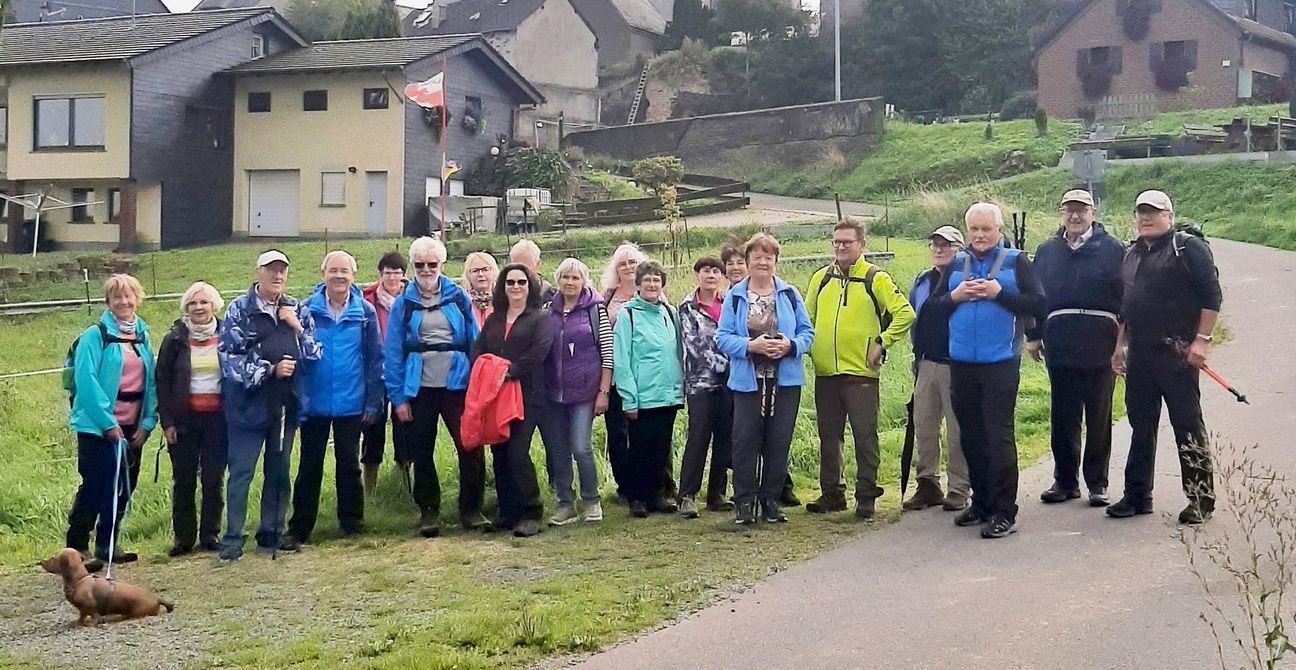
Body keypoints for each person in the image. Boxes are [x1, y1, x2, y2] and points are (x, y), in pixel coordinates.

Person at [1109, 190, 1221, 525]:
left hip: (1178, 354)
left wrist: (1201, 341)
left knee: (1187, 425)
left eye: (1154, 212)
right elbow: (1126, 308)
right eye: (1141, 212)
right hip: (1141, 354)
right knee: (1140, 425)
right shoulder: (1131, 254)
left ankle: (1201, 499)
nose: (1146, 218)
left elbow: (1212, 296)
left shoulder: (1188, 248)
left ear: (1169, 217)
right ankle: (1136, 496)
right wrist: (1120, 346)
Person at [940, 204, 1045, 539]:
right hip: (961, 363)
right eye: (975, 230)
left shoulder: (1017, 261)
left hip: (1000, 361)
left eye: (986, 229)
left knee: (998, 437)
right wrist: (955, 296)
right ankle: (981, 502)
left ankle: (1004, 512)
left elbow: (1039, 304)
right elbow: (932, 309)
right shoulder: (956, 263)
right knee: (970, 436)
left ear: (999, 230)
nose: (980, 236)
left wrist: (1001, 294)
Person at [804, 219, 915, 519]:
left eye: (847, 242)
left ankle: (866, 496)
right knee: (829, 436)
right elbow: (807, 320)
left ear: (861, 245)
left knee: (865, 437)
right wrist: (807, 349)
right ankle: (832, 494)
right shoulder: (820, 279)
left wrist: (882, 342)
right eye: (836, 241)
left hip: (861, 374)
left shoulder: (874, 278)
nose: (840, 247)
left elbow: (905, 313)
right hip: (826, 373)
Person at [218, 250, 321, 562]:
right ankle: (233, 538)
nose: (277, 276)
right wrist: (269, 369)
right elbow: (229, 358)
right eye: (271, 270)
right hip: (247, 407)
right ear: (258, 272)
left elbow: (315, 354)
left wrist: (297, 328)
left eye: (282, 271)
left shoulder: (297, 310)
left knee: (279, 471)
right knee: (241, 473)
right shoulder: (239, 310)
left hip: (285, 407)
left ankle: (271, 533)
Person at [1029, 189, 1126, 508]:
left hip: (1101, 343)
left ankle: (1097, 484)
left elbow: (1126, 298)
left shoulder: (1113, 250)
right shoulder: (1047, 250)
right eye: (1069, 210)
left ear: (1093, 213)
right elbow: (1035, 296)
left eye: (1081, 210)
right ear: (1061, 213)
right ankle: (1065, 481)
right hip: (1060, 344)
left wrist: (1123, 343)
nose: (1075, 216)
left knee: (1098, 417)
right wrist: (1033, 335)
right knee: (1063, 415)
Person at [384, 236, 486, 537]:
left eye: (432, 264)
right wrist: (399, 397)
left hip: (458, 385)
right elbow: (392, 353)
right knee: (421, 450)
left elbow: (474, 341)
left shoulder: (458, 297)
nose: (426, 270)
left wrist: (477, 386)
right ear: (412, 267)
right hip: (420, 387)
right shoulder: (403, 304)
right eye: (419, 265)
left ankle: (472, 509)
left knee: (470, 446)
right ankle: (428, 511)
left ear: (442, 265)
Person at [284, 251, 384, 548]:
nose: (339, 276)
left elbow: (375, 359)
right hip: (314, 403)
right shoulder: (305, 310)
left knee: (349, 464)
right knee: (309, 466)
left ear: (353, 276)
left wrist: (372, 402)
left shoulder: (364, 312)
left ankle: (352, 523)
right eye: (333, 271)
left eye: (345, 271)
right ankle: (299, 528)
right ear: (323, 273)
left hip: (351, 401)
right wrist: (299, 399)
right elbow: (298, 357)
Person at [717, 234, 814, 525]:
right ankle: (744, 502)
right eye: (757, 257)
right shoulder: (735, 297)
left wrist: (790, 346)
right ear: (747, 262)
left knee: (778, 440)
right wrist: (750, 346)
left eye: (768, 257)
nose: (762, 262)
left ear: (775, 261)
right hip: (748, 381)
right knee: (745, 440)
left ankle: (771, 500)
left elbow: (807, 333)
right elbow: (722, 338)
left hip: (784, 381)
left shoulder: (790, 294)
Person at [67, 274, 158, 563]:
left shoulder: (142, 337)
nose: (124, 301)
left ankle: (108, 545)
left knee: (123, 487)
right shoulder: (94, 336)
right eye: (117, 296)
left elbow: (152, 382)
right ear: (108, 302)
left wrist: (147, 423)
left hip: (132, 427)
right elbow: (86, 380)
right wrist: (107, 424)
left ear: (137, 299)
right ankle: (76, 548)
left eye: (129, 295)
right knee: (95, 485)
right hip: (96, 427)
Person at [472, 263, 554, 537]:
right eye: (510, 283)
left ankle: (531, 512)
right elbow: (479, 348)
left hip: (527, 395)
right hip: (496, 395)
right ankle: (507, 512)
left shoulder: (540, 318)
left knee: (517, 452)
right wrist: (481, 368)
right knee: (500, 452)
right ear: (503, 287)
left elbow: (539, 351)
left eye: (521, 282)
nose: (516, 287)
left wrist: (509, 371)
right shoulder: (494, 319)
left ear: (530, 286)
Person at [155, 281, 226, 557]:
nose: (198, 307)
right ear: (186, 308)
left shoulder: (227, 335)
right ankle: (183, 539)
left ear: (214, 306)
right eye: (193, 303)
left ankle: (211, 535)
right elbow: (162, 382)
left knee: (213, 478)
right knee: (183, 479)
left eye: (204, 302)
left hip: (217, 420)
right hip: (183, 420)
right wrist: (167, 422)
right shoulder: (173, 340)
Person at [539, 258, 612, 525]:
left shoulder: (596, 310)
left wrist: (603, 391)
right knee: (558, 450)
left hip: (585, 392)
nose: (570, 283)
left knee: (581, 447)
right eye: (566, 278)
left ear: (584, 281)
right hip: (553, 394)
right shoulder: (548, 311)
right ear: (558, 281)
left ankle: (591, 501)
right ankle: (565, 504)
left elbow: (607, 353)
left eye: (575, 278)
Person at [902, 226, 970, 512]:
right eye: (935, 244)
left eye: (947, 245)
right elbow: (913, 315)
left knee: (957, 431)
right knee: (924, 426)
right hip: (927, 361)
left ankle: (958, 488)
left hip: (957, 363)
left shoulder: (965, 279)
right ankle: (928, 483)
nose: (939, 249)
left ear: (960, 250)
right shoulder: (922, 280)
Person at [613, 260, 686, 518]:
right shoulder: (628, 315)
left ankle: (657, 495)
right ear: (639, 284)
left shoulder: (670, 312)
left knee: (661, 448)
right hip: (642, 396)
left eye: (656, 280)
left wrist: (680, 388)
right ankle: (637, 498)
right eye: (647, 280)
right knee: (640, 449)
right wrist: (629, 398)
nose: (652, 285)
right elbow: (622, 359)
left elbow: (677, 351)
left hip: (667, 394)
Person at [678, 256, 733, 516]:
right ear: (697, 275)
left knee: (724, 437)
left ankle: (717, 494)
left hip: (730, 383)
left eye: (715, 271)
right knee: (698, 437)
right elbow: (695, 346)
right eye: (705, 271)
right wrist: (728, 362)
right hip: (701, 382)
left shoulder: (730, 302)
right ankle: (687, 495)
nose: (710, 275)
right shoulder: (687, 307)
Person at [600, 242, 647, 501]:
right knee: (617, 433)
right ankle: (624, 487)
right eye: (622, 264)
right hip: (616, 375)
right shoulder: (607, 297)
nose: (628, 267)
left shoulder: (651, 292)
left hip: (646, 377)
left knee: (647, 432)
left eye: (632, 262)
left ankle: (652, 483)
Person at [360, 250, 407, 494]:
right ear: (380, 275)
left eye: (396, 273)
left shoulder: (412, 300)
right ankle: (370, 489)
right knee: (372, 428)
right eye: (387, 273)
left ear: (403, 276)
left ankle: (404, 481)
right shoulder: (367, 301)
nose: (391, 278)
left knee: (405, 428)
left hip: (403, 374)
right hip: (375, 374)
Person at [462, 251, 500, 328]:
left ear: (494, 272)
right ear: (468, 275)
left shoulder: (503, 300)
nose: (480, 274)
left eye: (485, 270)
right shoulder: (462, 301)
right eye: (475, 271)